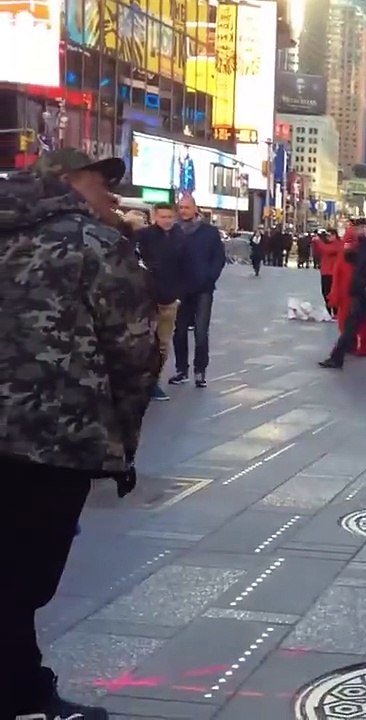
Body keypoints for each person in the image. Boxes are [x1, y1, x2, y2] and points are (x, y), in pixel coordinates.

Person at [0, 148, 157, 720]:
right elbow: (134, 353)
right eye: (101, 180)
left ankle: (23, 688)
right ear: (64, 182)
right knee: (24, 579)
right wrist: (121, 442)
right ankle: (21, 694)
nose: (112, 194)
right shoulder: (95, 244)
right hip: (53, 439)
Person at [168, 193, 225, 389]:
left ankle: (200, 371)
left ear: (195, 208)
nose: (183, 211)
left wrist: (210, 277)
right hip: (180, 289)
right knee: (180, 331)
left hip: (203, 289)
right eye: (181, 208)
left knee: (201, 332)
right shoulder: (174, 231)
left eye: (186, 207)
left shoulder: (209, 232)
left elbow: (219, 258)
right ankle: (181, 369)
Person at [136, 202, 187, 401]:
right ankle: (141, 380)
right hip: (147, 297)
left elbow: (186, 267)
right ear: (155, 216)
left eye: (169, 217)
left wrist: (179, 295)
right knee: (144, 340)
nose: (166, 220)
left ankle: (154, 381)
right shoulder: (144, 236)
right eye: (162, 216)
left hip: (170, 297)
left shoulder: (180, 237)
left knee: (163, 343)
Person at [319, 220, 366, 368]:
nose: (355, 231)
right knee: (353, 325)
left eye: (358, 228)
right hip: (361, 292)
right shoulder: (362, 245)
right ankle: (338, 356)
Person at [314, 229, 344, 316]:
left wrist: (318, 241)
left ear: (335, 235)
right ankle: (329, 310)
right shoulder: (328, 244)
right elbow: (320, 251)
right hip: (325, 271)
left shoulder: (338, 244)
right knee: (325, 292)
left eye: (329, 235)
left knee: (331, 292)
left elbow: (327, 250)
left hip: (332, 272)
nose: (328, 237)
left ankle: (335, 311)